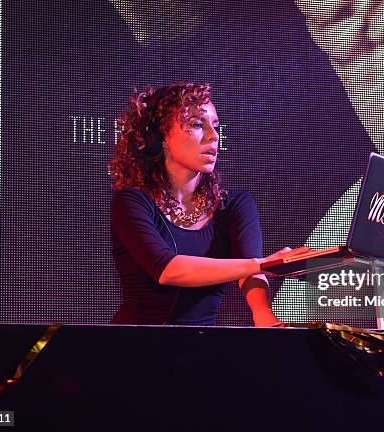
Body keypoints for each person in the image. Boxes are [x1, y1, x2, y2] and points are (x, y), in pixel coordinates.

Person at [108, 81, 298, 326]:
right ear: (162, 136)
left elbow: (252, 273)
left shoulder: (234, 205)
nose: (213, 136)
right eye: (197, 125)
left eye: (216, 127)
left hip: (201, 347)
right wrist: (264, 263)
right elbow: (168, 270)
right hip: (134, 348)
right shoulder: (132, 202)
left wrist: (262, 313)